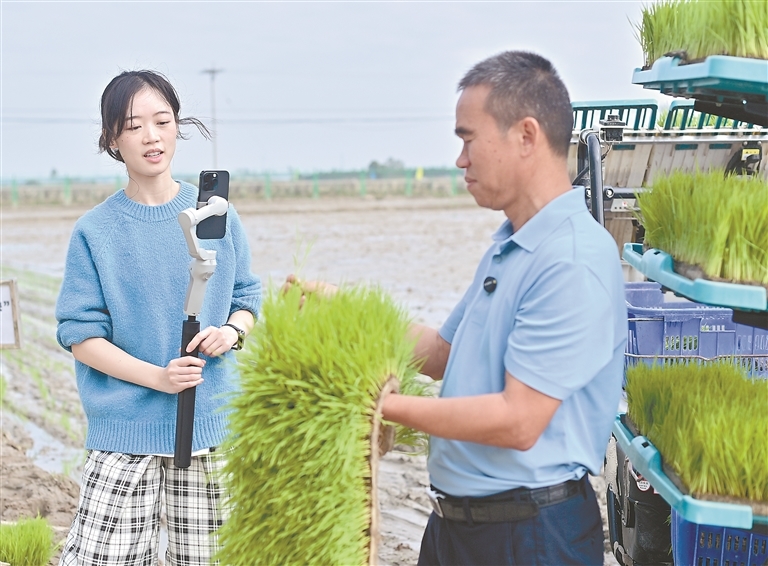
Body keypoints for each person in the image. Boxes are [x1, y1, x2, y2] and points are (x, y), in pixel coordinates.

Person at [289, 50, 626, 565]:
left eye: (468, 139)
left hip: (529, 537)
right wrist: (346, 313)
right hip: (458, 529)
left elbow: (518, 420)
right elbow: (445, 351)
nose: (460, 159)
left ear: (526, 136)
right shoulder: (511, 243)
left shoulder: (572, 260)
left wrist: (382, 407)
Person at [55, 70, 261, 565]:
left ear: (176, 127)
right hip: (125, 430)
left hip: (210, 426)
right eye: (133, 125)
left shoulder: (215, 213)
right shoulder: (97, 231)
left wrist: (231, 333)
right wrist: (158, 378)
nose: (151, 136)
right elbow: (81, 335)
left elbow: (247, 296)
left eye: (162, 121)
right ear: (111, 138)